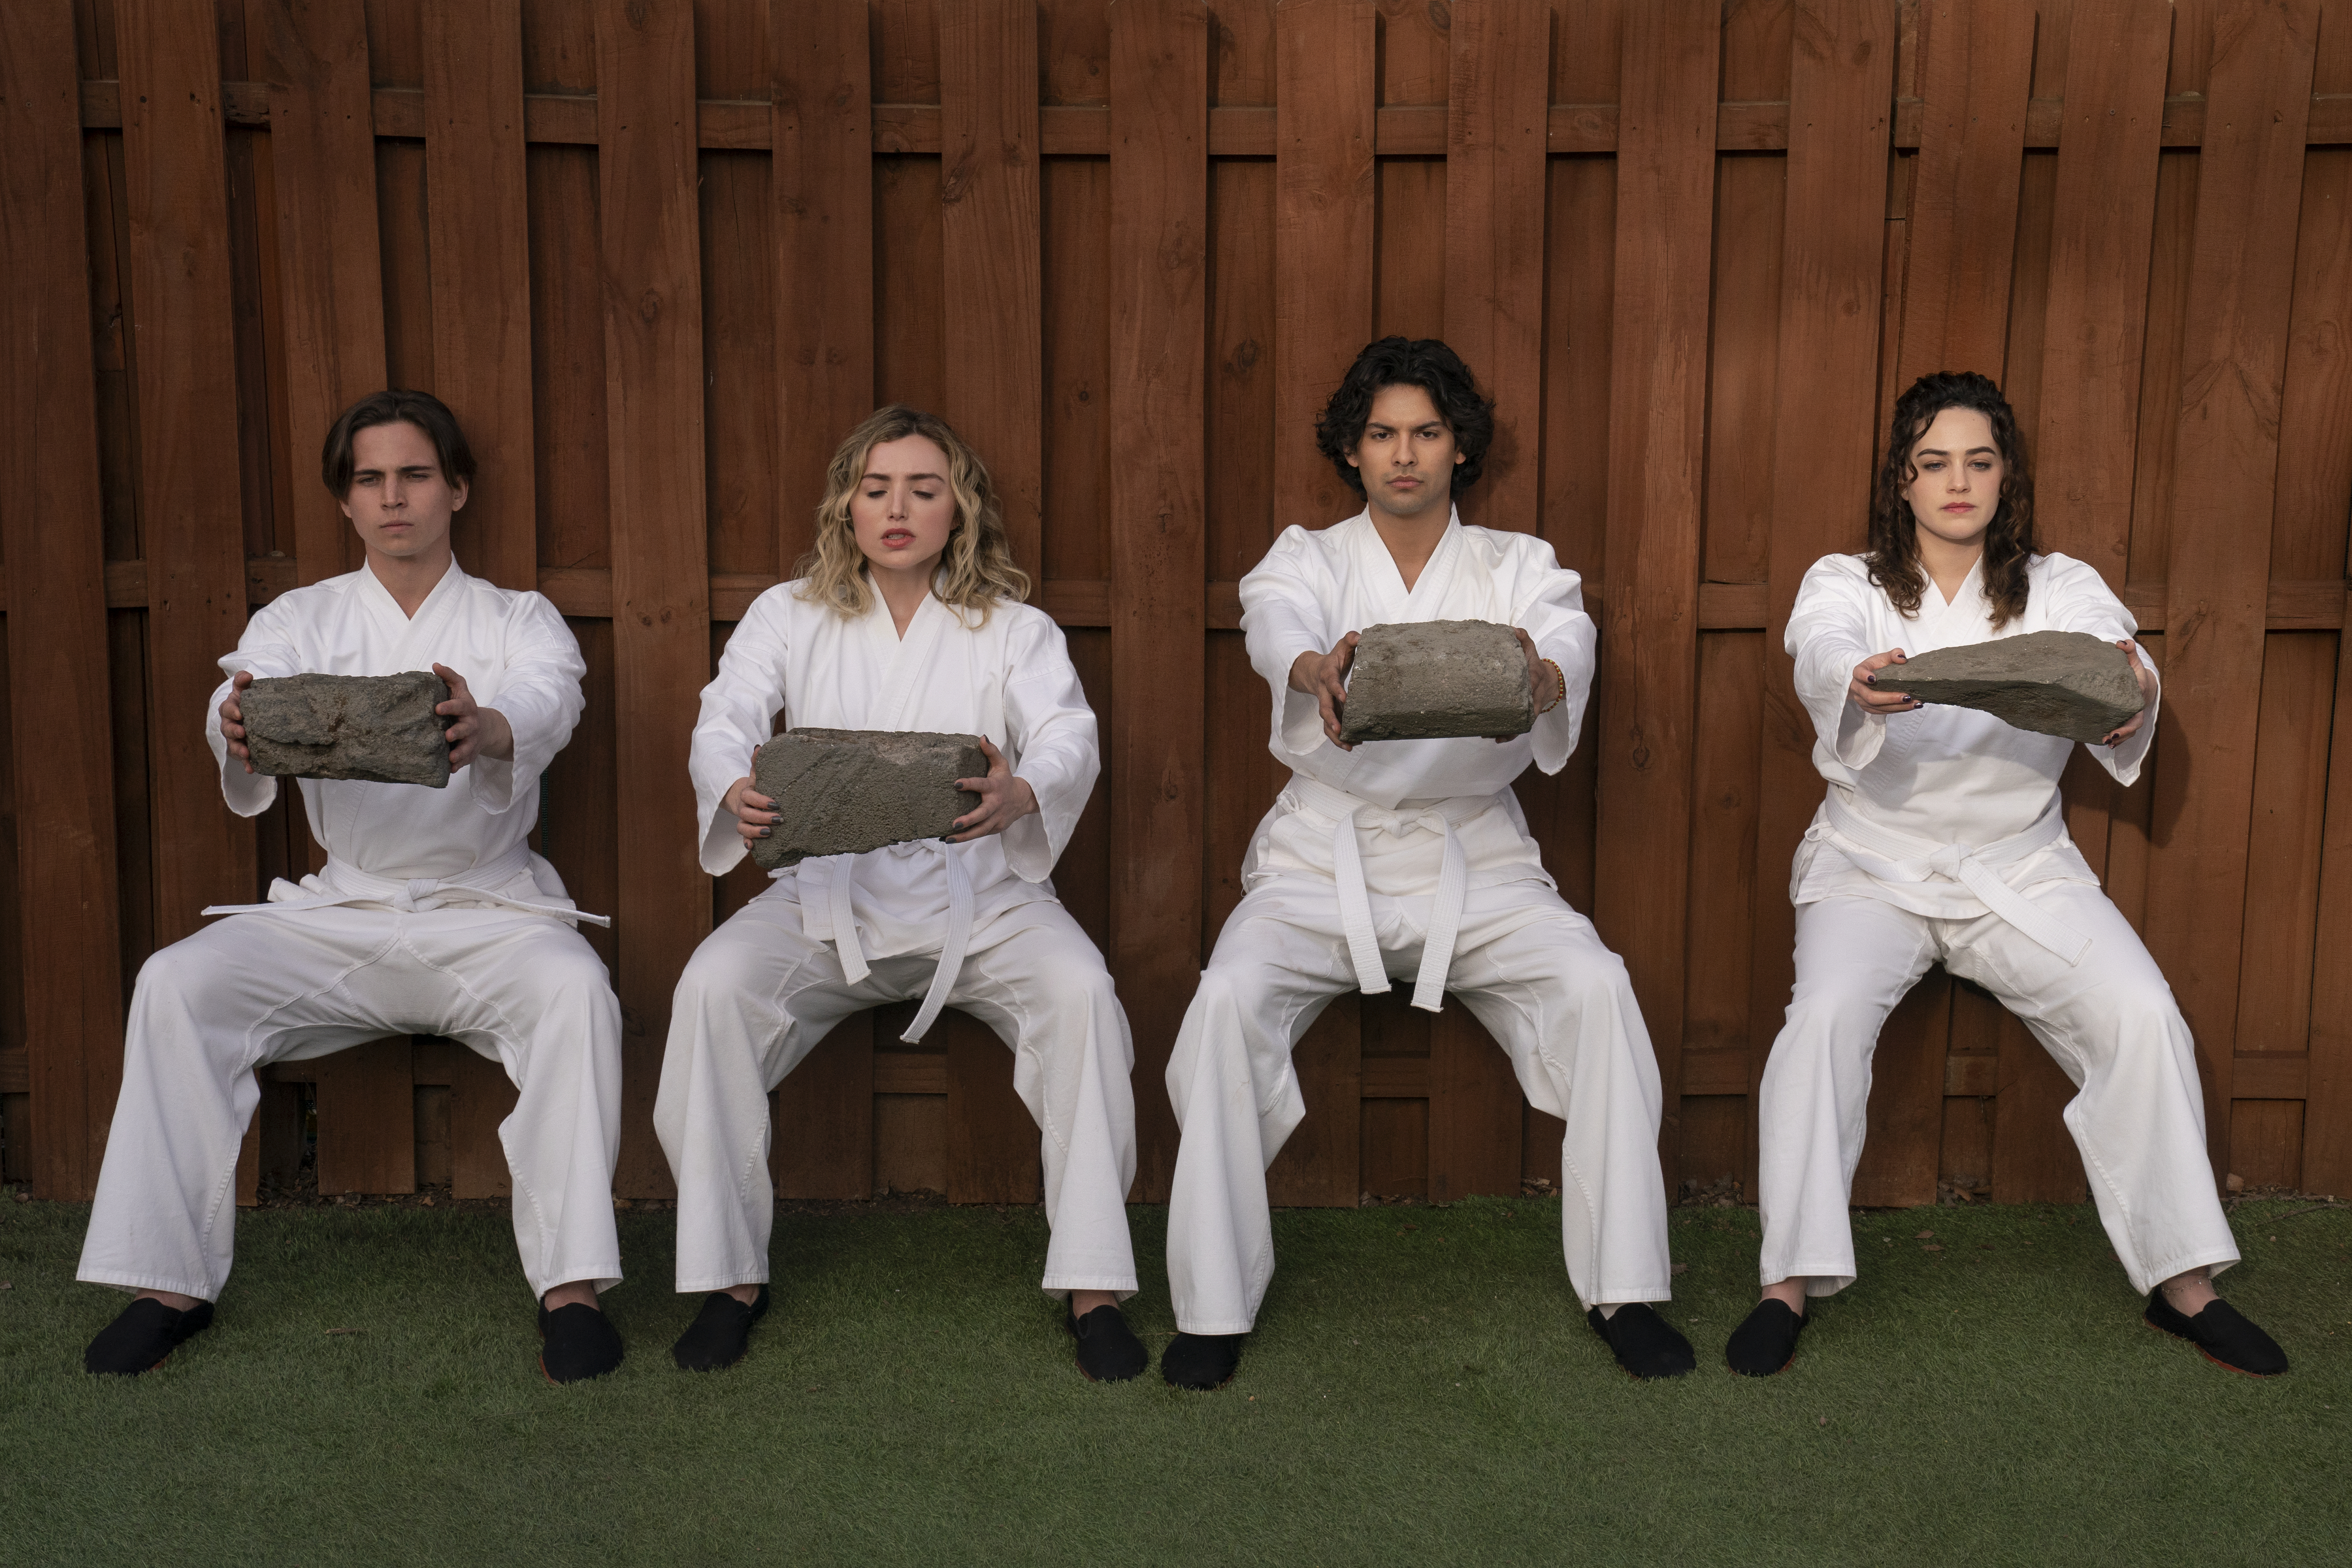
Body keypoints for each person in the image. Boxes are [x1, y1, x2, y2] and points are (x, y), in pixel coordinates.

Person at [1726, 370, 2286, 1378]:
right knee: (1820, 1027)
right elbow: (1819, 648)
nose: (1957, 482)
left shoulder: (2057, 582)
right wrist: (1853, 680)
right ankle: (1788, 1283)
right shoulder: (1845, 580)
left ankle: (2184, 1283)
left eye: (1978, 462)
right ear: (1902, 478)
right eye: (1934, 463)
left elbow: (2123, 657)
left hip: (2018, 865)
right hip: (1873, 863)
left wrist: (2129, 693)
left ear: (2005, 475)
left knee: (2142, 1013)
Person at [1158, 337, 1693, 1390]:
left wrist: (1545, 676)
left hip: (1474, 850)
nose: (1405, 454)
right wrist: (1315, 667)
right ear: (1353, 453)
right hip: (1324, 852)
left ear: (1459, 448)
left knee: (1597, 988)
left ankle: (1626, 1289)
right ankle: (1212, 1307)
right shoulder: (1305, 556)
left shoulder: (1520, 564)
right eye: (1382, 434)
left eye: (1427, 433)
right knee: (1225, 1001)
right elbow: (1275, 626)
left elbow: (1566, 641)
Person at [77, 389, 627, 1383]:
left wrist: (489, 725)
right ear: (346, 500)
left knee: (578, 994)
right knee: (176, 983)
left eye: (415, 474)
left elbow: (550, 700)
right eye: (369, 479)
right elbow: (243, 686)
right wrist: (233, 723)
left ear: (456, 488)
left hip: (486, 912)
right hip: (341, 911)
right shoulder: (301, 617)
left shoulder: (518, 619)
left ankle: (572, 1289)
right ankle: (168, 1282)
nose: (393, 498)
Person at [655, 405, 1145, 1380]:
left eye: (925, 489)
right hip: (825, 893)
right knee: (713, 988)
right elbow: (727, 715)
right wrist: (736, 788)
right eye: (876, 488)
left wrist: (1022, 792)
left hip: (984, 892)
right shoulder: (787, 613)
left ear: (959, 509)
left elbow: (1066, 732)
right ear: (846, 504)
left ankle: (1094, 1285)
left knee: (1083, 995)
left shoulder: (1015, 625)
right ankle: (729, 1277)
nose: (898, 508)